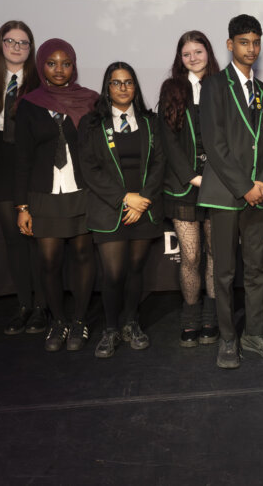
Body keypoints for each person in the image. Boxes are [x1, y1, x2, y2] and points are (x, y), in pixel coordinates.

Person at [198, 14, 263, 369]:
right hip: (225, 194)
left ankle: (255, 334)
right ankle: (228, 339)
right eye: (245, 42)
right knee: (224, 272)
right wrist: (244, 187)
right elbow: (215, 146)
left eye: (256, 42)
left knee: (257, 269)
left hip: (258, 195)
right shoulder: (215, 86)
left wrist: (261, 181)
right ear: (230, 44)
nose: (252, 48)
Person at [15, 38, 99, 352]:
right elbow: (21, 158)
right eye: (52, 63)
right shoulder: (29, 104)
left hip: (82, 192)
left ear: (73, 65)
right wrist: (22, 206)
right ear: (41, 66)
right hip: (43, 195)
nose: (60, 69)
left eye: (66, 63)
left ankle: (79, 321)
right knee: (49, 261)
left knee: (82, 257)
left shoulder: (90, 100)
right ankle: (58, 321)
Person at [80, 62, 166, 358]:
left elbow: (159, 164)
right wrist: (124, 199)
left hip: (144, 207)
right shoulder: (91, 124)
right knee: (113, 274)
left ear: (135, 87)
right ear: (107, 87)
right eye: (116, 83)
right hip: (109, 208)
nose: (123, 88)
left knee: (135, 270)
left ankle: (131, 323)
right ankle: (111, 328)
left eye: (128, 82)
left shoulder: (150, 122)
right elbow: (89, 169)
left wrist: (142, 200)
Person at [0, 20, 45, 336]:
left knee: (38, 240)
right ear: (0, 44)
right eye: (10, 41)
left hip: (32, 165)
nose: (16, 47)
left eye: (23, 42)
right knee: (15, 242)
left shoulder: (41, 81)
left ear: (31, 48)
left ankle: (43, 307)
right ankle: (25, 305)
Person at [159, 31, 221, 347]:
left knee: (215, 254)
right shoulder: (172, 88)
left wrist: (214, 176)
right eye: (187, 53)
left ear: (208, 53)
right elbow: (167, 141)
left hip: (218, 184)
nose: (193, 57)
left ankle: (211, 314)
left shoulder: (223, 86)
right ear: (179, 58)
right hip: (184, 186)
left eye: (199, 51)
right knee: (191, 255)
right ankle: (190, 315)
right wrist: (191, 176)